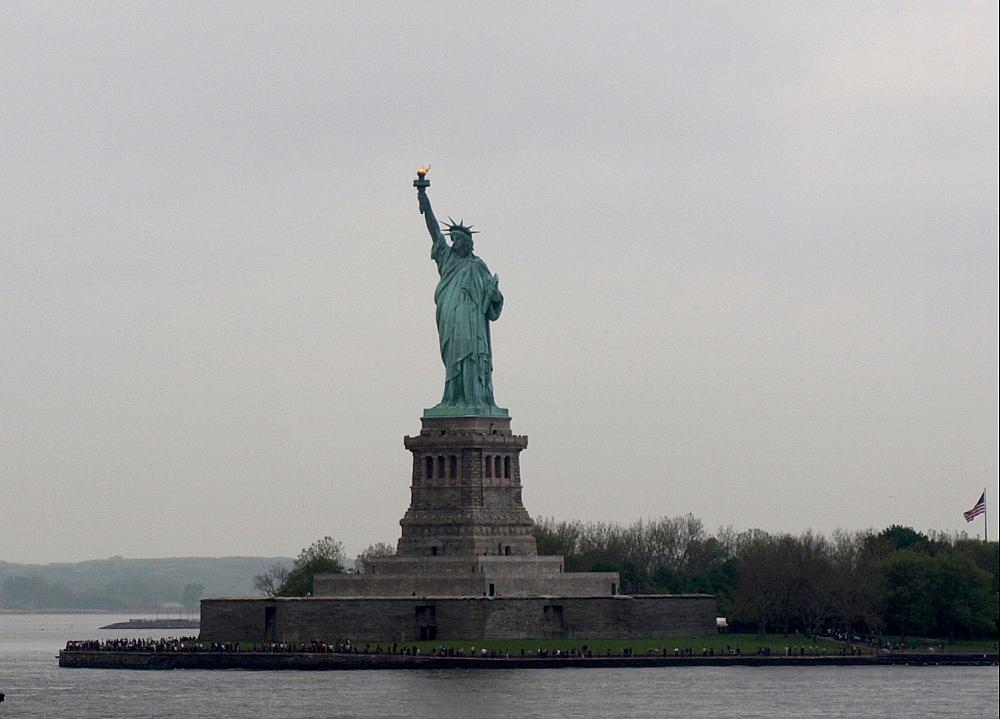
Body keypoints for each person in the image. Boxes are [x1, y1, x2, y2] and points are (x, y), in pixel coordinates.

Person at [417, 185, 505, 415]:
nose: (454, 243)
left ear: (467, 244)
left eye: (458, 240)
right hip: (450, 316)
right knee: (453, 357)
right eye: (453, 240)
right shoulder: (446, 259)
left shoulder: (477, 266)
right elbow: (434, 231)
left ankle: (475, 400)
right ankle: (453, 398)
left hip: (472, 321)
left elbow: (493, 299)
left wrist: (494, 294)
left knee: (472, 357)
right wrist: (425, 202)